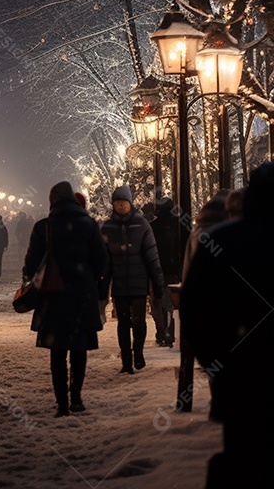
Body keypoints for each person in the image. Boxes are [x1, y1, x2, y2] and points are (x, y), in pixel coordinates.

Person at [182, 162, 274, 488]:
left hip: (238, 374)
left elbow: (194, 309)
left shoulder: (222, 241)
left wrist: (216, 362)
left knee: (241, 454)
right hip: (241, 367)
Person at [22, 182, 109, 418]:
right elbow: (102, 260)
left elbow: (31, 264)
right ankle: (76, 398)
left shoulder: (44, 227)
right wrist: (90, 278)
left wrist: (32, 278)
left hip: (54, 296)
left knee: (57, 351)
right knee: (79, 348)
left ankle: (61, 403)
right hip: (82, 295)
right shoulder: (89, 224)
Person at [101, 186, 165, 374]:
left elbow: (152, 257)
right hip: (120, 285)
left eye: (124, 202)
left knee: (138, 321)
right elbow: (105, 261)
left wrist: (158, 283)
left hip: (139, 284)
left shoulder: (141, 225)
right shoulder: (108, 228)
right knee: (122, 323)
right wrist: (103, 285)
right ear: (113, 205)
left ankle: (138, 352)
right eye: (117, 203)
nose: (121, 206)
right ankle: (126, 360)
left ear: (130, 203)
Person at [149, 197, 183, 348]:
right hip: (173, 270)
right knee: (171, 303)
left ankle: (161, 332)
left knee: (157, 302)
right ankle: (170, 332)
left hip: (156, 269)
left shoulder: (153, 227)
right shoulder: (179, 226)